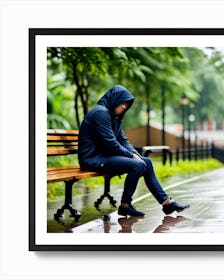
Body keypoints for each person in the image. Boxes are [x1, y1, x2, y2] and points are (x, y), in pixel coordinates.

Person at [78, 85, 189, 217]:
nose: (125, 106)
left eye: (127, 104)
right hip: (93, 159)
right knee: (138, 164)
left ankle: (167, 203)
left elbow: (123, 140)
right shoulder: (100, 113)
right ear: (115, 99)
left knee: (145, 162)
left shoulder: (113, 117)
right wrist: (131, 155)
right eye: (123, 102)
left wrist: (135, 154)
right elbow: (110, 144)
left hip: (104, 156)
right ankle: (125, 206)